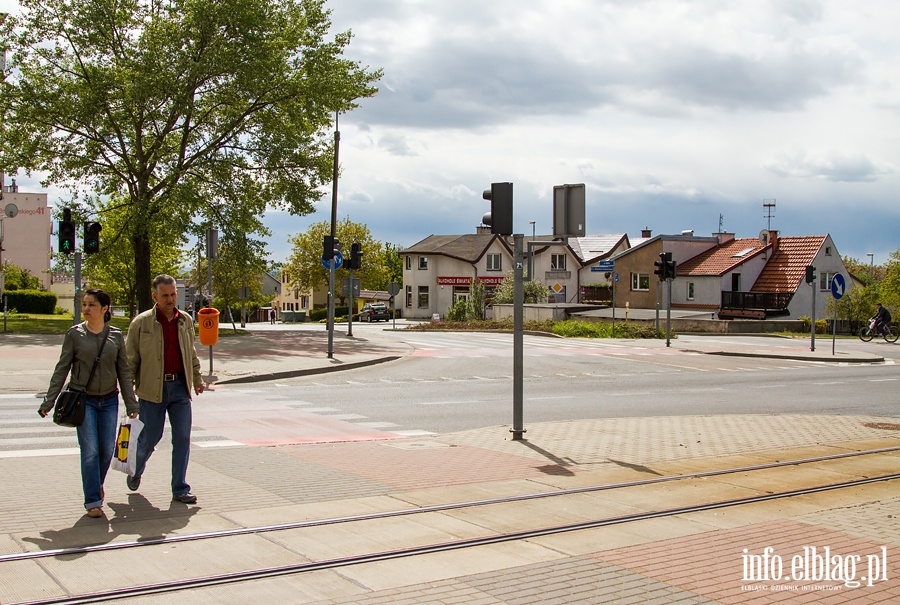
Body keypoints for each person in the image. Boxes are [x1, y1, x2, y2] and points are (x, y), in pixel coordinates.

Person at [39, 289, 138, 518]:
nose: (85, 309)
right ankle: (92, 500)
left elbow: (123, 371)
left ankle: (96, 483)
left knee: (106, 450)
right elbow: (62, 369)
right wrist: (49, 400)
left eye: (91, 305)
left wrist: (131, 404)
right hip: (84, 401)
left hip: (110, 400)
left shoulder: (115, 336)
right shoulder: (74, 335)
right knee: (91, 450)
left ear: (104, 309)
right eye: (84, 304)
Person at [125, 274, 205, 504]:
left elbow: (190, 352)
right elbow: (131, 360)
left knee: (182, 437)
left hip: (180, 387)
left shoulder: (185, 320)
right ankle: (136, 469)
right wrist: (129, 394)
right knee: (150, 438)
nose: (170, 299)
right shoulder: (141, 323)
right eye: (165, 295)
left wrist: (197, 378)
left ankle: (180, 488)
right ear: (155, 296)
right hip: (152, 389)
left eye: (173, 294)